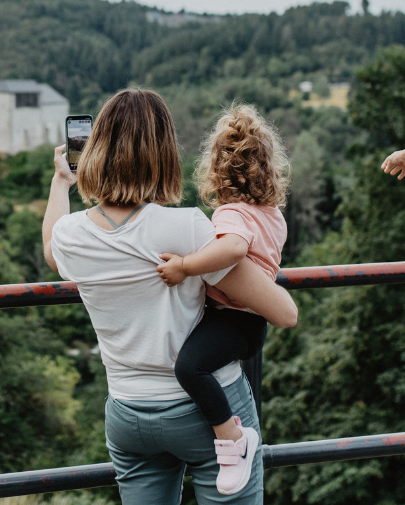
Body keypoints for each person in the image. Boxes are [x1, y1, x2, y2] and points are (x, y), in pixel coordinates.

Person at [42, 88, 297, 504]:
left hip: (127, 415)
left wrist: (61, 181)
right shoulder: (189, 229)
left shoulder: (73, 236)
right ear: (163, 153)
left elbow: (51, 247)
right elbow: (283, 312)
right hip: (204, 412)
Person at [154, 104, 292, 495]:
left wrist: (185, 266)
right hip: (250, 323)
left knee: (189, 368)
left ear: (216, 170)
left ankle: (232, 438)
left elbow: (232, 250)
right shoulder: (272, 214)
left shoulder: (232, 214)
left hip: (233, 319)